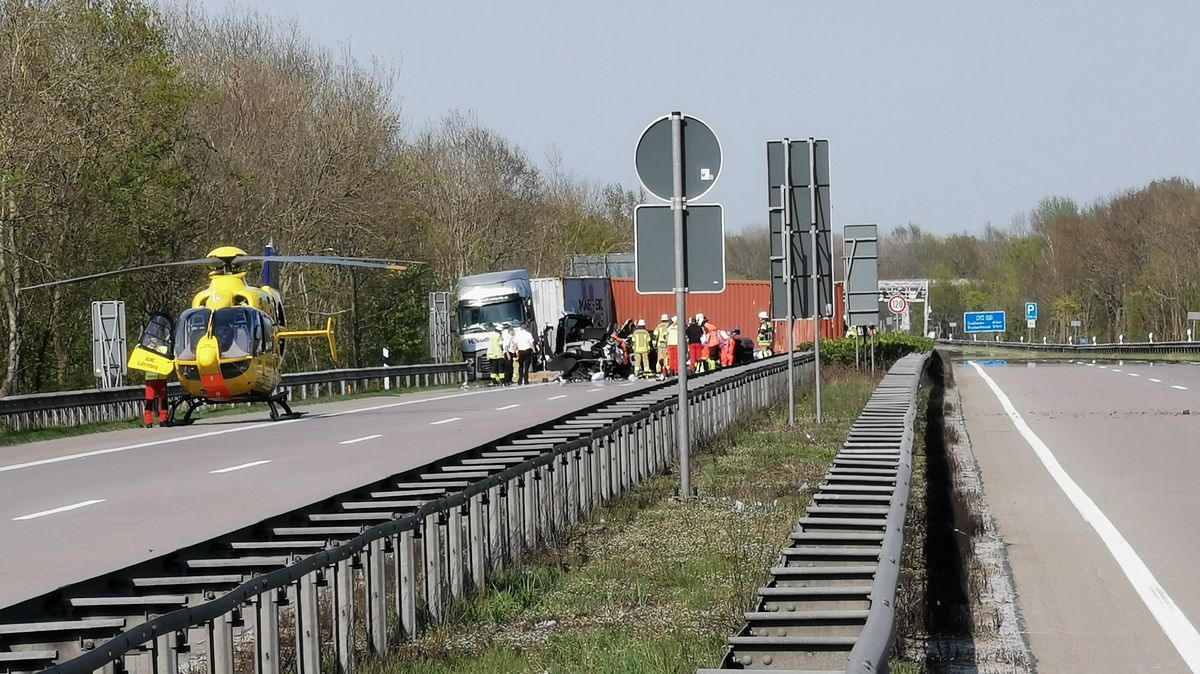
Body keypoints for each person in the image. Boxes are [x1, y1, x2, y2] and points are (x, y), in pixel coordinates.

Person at [143, 340, 171, 427]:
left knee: (163, 400)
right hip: (150, 379)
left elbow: (168, 354)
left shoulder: (163, 348)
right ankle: (148, 422)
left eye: (155, 339)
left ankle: (163, 420)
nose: (153, 340)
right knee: (149, 401)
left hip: (161, 378)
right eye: (151, 339)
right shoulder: (145, 349)